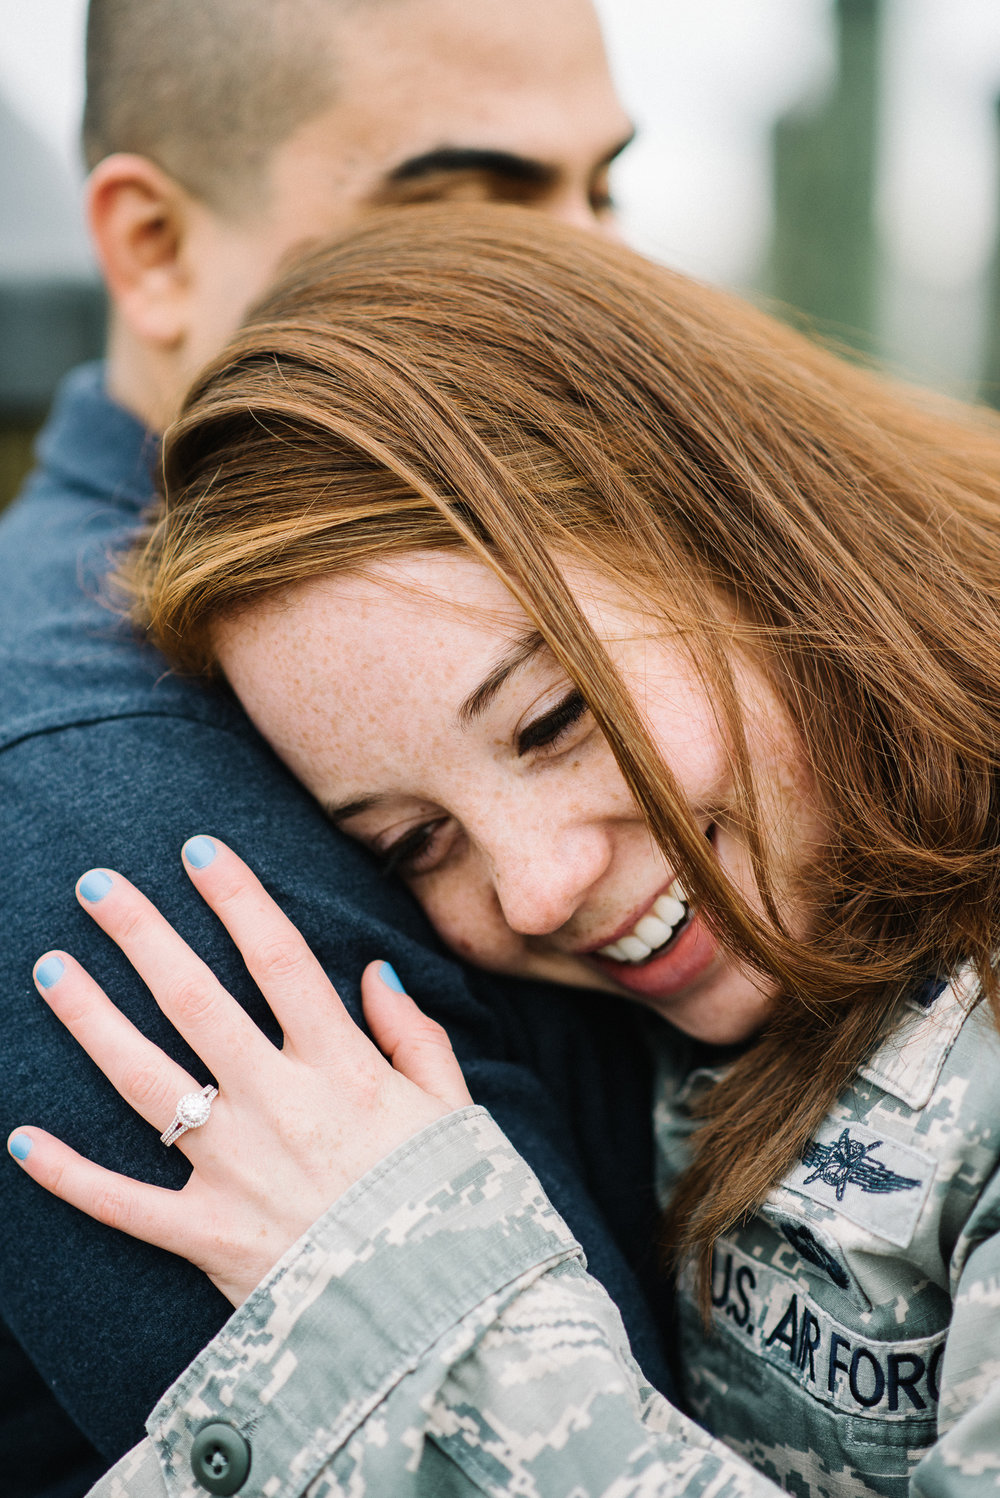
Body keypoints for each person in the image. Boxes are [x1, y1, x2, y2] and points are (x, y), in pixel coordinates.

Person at [12, 205, 1000, 1497]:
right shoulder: (710, 1025)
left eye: (552, 717)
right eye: (416, 841)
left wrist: (408, 1304)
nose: (537, 886)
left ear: (747, 532)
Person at [0, 4, 670, 1494]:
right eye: (471, 203)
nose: (593, 279)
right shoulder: (103, 792)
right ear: (155, 247)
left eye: (602, 189)